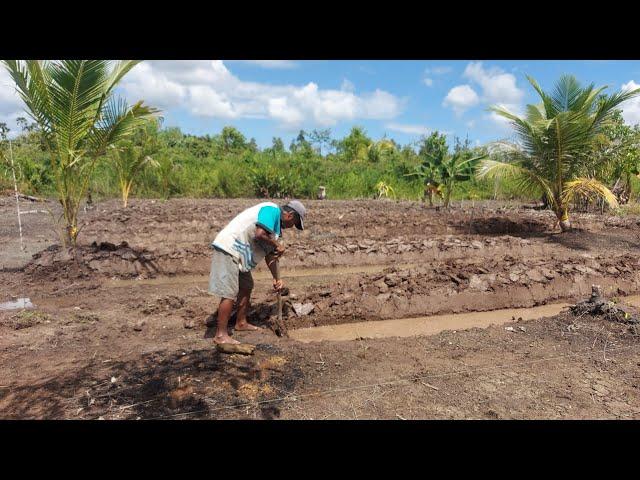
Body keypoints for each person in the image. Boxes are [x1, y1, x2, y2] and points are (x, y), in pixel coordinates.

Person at [208, 200, 306, 344]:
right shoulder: (271, 210)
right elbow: (259, 234)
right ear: (290, 215)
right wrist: (277, 244)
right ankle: (221, 335)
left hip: (239, 254)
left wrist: (276, 278)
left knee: (247, 285)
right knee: (229, 291)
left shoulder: (275, 229)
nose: (292, 227)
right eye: (295, 223)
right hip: (229, 248)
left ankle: (241, 323)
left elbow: (270, 256)